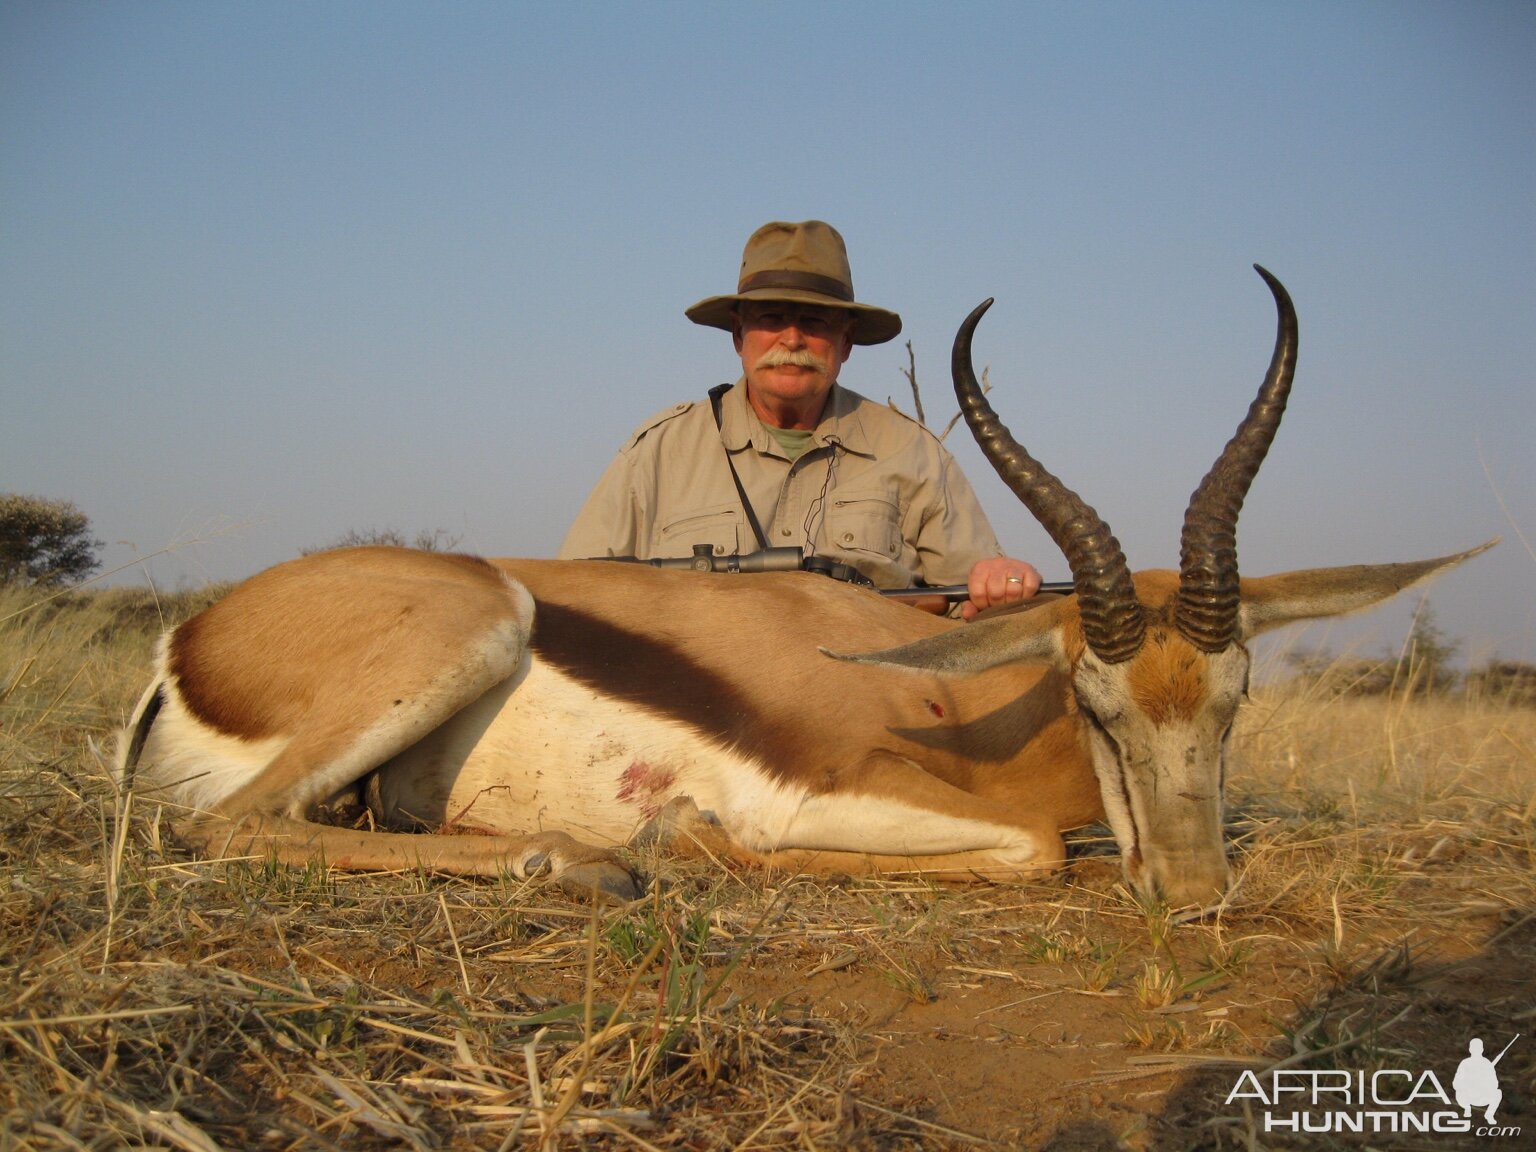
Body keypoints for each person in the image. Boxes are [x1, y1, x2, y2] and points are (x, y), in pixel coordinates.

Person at [558, 220, 1039, 619]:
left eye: (815, 322)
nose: (791, 339)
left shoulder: (912, 453)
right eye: (771, 318)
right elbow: (572, 598)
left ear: (846, 342)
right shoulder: (658, 451)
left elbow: (979, 605)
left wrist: (1000, 586)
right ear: (738, 334)